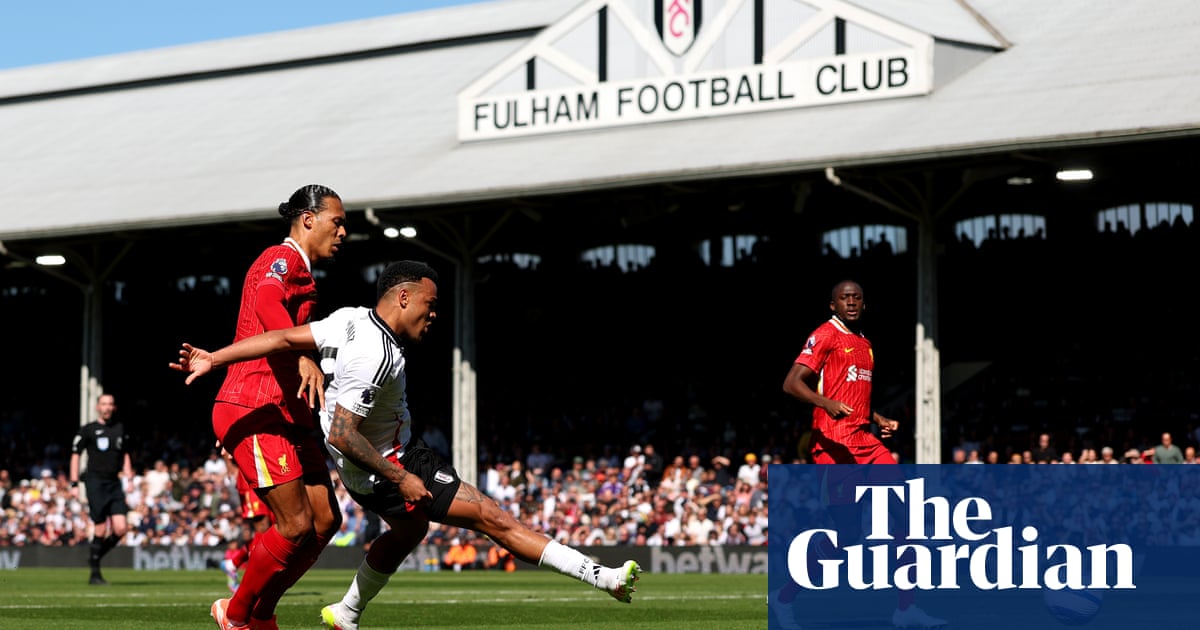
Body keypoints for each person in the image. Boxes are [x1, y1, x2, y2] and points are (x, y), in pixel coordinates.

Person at [171, 260, 642, 630]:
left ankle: (347, 613)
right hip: (386, 464)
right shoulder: (373, 356)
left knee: (409, 532)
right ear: (403, 295)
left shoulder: (351, 320)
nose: (433, 314)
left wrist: (216, 357)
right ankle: (604, 578)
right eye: (429, 304)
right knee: (491, 518)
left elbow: (279, 337)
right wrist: (401, 476)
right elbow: (341, 434)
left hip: (388, 454)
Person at [207, 184, 347, 630]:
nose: (343, 232)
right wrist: (302, 351)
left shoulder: (303, 272)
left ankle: (260, 612)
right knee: (294, 525)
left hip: (289, 413)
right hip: (256, 403)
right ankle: (238, 613)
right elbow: (268, 303)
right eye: (337, 222)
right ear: (308, 219)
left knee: (325, 520)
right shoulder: (279, 258)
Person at [775, 280, 945, 630]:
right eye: (844, 298)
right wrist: (825, 403)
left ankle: (905, 608)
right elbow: (791, 383)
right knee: (848, 538)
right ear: (832, 304)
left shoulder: (865, 343)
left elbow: (853, 397)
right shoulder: (824, 335)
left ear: (864, 305)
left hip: (865, 443)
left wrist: (877, 417)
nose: (851, 302)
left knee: (906, 515)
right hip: (833, 447)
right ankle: (783, 597)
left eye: (856, 298)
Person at [69, 393, 133, 585]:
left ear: (114, 407)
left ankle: (95, 556)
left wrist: (129, 475)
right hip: (95, 482)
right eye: (103, 404)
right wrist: (74, 483)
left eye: (110, 404)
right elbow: (75, 454)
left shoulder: (120, 428)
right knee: (100, 528)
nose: (107, 407)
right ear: (98, 407)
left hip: (114, 483)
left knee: (121, 528)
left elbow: (126, 453)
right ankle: (95, 574)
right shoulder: (88, 430)